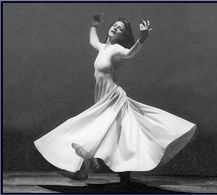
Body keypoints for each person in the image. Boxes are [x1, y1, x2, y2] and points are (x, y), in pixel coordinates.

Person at [34, 14, 196, 182]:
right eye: (115, 25)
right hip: (101, 97)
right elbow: (93, 40)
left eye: (121, 29)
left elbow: (129, 54)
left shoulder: (117, 49)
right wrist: (94, 26)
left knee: (111, 132)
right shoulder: (103, 47)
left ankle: (94, 168)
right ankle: (93, 166)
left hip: (113, 97)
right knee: (108, 132)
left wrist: (142, 39)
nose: (116, 28)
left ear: (122, 35)